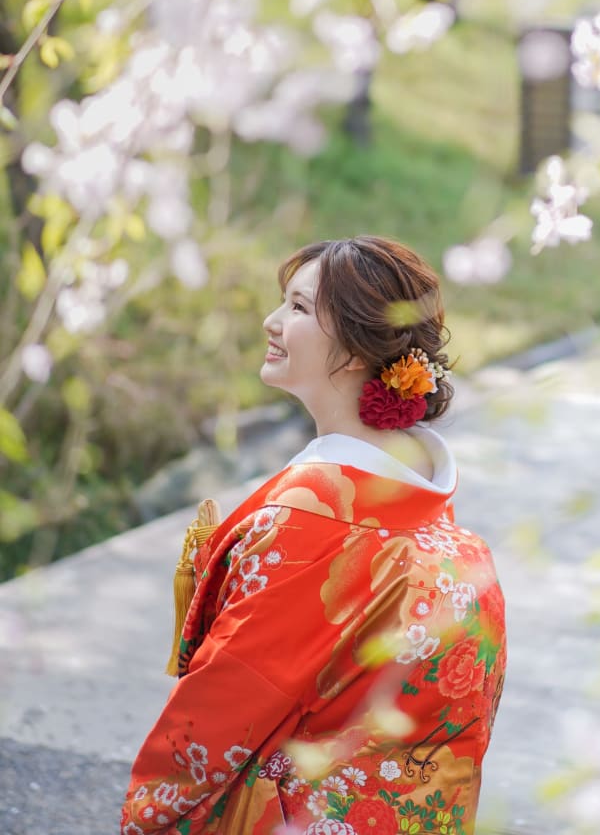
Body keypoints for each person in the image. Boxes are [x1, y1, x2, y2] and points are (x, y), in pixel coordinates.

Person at [122, 237, 507, 835]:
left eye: (299, 309)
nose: (272, 322)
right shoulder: (440, 523)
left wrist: (150, 812)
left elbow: (234, 694)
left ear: (356, 348)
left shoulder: (312, 526)